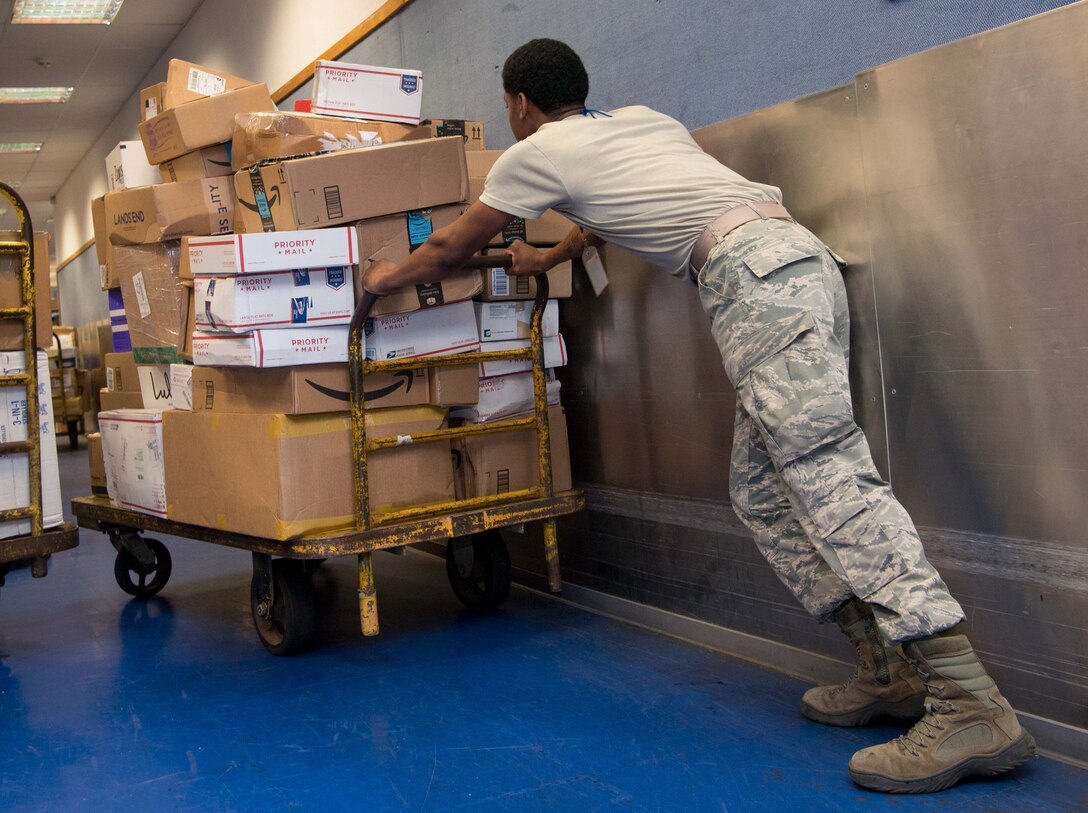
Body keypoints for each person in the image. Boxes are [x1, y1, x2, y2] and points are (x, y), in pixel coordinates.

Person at [363, 38, 1035, 794]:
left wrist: (380, 276)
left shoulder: (535, 151)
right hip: (789, 263)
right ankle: (886, 666)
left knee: (829, 481)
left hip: (755, 281)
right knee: (761, 490)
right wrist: (552, 258)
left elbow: (455, 244)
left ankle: (968, 698)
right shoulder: (642, 123)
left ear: (519, 104)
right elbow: (619, 208)